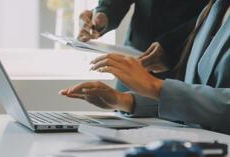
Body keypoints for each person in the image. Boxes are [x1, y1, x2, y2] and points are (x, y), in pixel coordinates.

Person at [60, 0, 230, 134]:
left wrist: (155, 86)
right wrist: (123, 100)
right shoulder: (214, 10)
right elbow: (197, 98)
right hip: (193, 136)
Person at [78, 0, 209, 92]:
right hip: (135, 58)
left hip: (186, 59)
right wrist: (104, 14)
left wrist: (171, 45)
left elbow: (216, 9)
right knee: (123, 123)